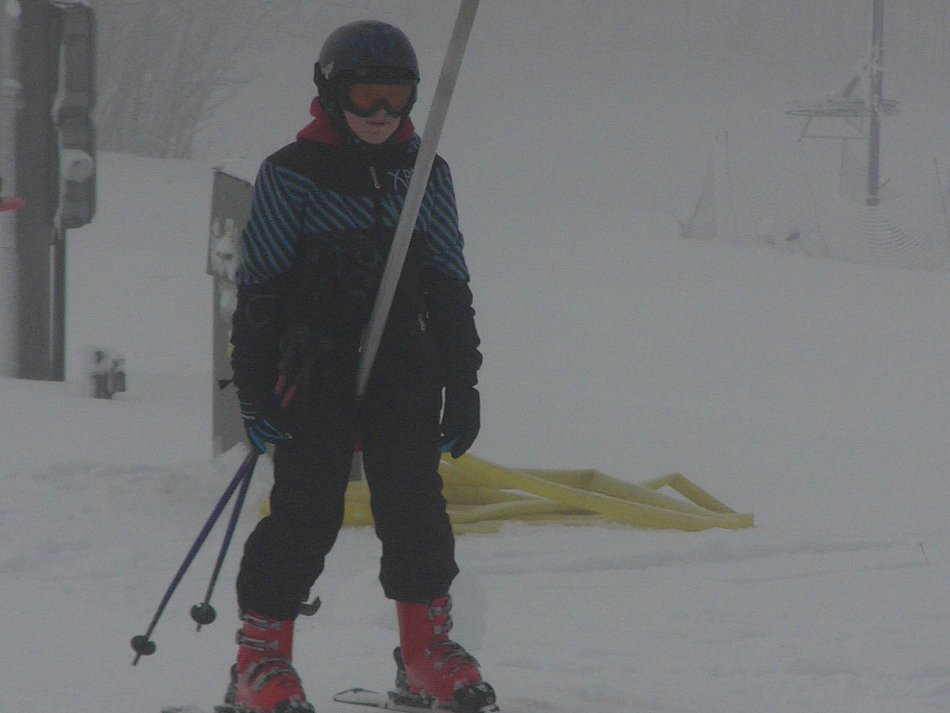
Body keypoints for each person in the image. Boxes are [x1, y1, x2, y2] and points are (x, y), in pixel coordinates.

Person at [224, 20, 492, 713]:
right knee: (306, 510)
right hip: (313, 367)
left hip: (404, 364)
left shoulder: (424, 171)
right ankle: (260, 658)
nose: (380, 113)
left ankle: (425, 652)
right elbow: (260, 292)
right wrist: (253, 389)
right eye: (364, 96)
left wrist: (462, 382)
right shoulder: (293, 171)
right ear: (330, 93)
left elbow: (448, 283)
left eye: (395, 97)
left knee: (415, 507)